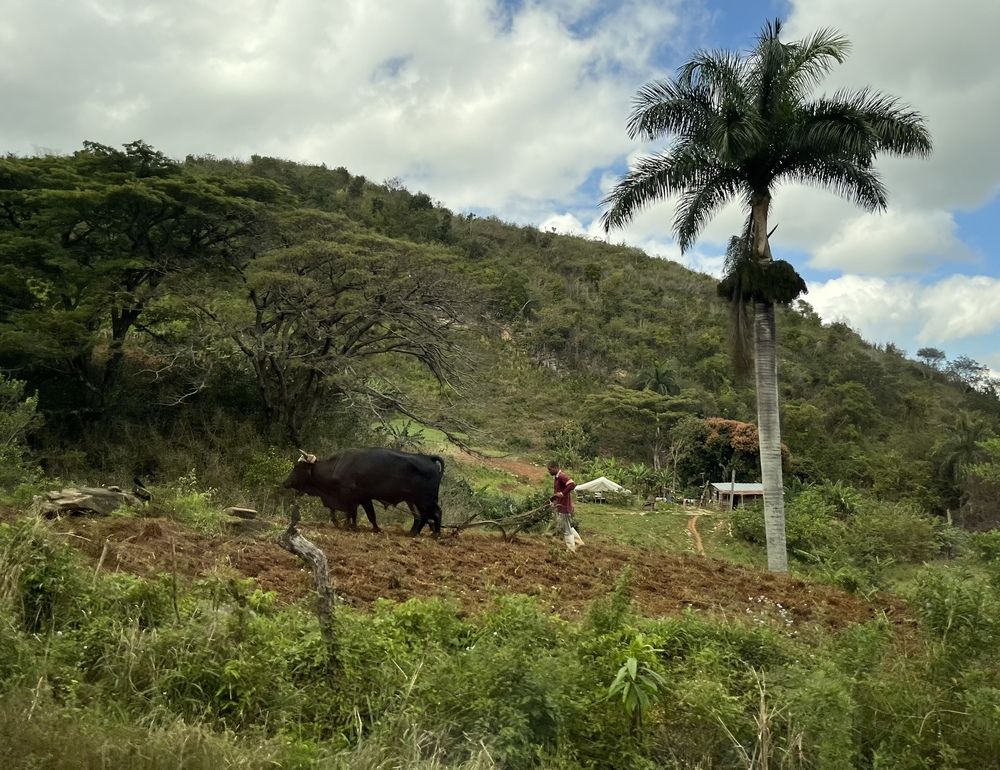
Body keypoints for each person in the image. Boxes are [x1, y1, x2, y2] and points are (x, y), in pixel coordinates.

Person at [547, 460, 584, 552]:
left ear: (555, 468)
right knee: (567, 525)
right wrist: (552, 499)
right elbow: (557, 492)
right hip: (560, 505)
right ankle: (579, 542)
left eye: (550, 469)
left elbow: (572, 484)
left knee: (566, 529)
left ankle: (571, 549)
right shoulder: (557, 478)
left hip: (564, 506)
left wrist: (563, 494)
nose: (549, 471)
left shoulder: (561, 476)